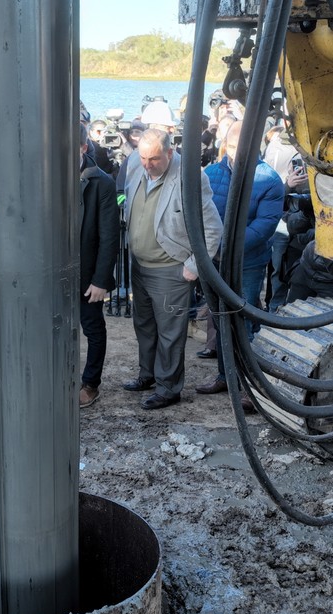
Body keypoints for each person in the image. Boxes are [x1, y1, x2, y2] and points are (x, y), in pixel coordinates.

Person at [121, 128, 223, 410]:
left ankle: (168, 388)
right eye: (143, 157)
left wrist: (194, 266)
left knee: (170, 332)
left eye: (153, 158)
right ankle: (148, 375)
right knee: (144, 325)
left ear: (169, 152)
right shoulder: (134, 164)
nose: (147, 164)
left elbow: (214, 229)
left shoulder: (190, 178)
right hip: (140, 265)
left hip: (170, 269)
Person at [194, 121, 284, 405]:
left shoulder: (268, 180)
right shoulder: (210, 173)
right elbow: (201, 214)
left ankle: (248, 384)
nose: (237, 152)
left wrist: (223, 246)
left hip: (247, 263)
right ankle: (225, 375)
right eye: (232, 146)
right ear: (225, 145)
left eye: (242, 146)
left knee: (243, 321)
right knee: (220, 318)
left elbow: (264, 226)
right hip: (216, 262)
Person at [78, 123, 121, 408]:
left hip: (87, 272)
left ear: (83, 148)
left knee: (93, 328)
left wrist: (101, 280)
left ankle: (91, 383)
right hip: (51, 273)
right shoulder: (44, 174)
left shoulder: (102, 183)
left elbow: (109, 236)